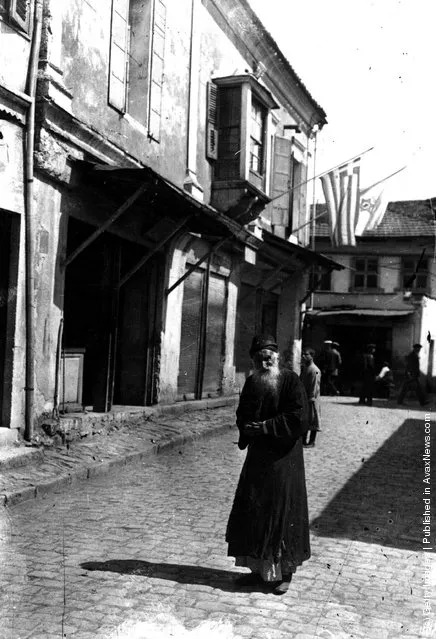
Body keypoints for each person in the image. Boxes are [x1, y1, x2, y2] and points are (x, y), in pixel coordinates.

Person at [226, 334, 310, 596]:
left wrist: (265, 427)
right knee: (254, 510)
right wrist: (246, 427)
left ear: (277, 357)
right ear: (253, 360)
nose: (265, 362)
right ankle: (257, 572)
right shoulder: (252, 382)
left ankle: (286, 574)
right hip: (259, 457)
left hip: (284, 459)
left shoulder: (290, 381)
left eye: (269, 357)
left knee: (282, 512)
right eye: (259, 358)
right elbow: (242, 412)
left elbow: (297, 418)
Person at [300, 347, 321, 448]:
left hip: (311, 399)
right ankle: (303, 441)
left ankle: (312, 441)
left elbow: (315, 385)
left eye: (306, 354)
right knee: (305, 419)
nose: (303, 356)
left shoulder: (314, 370)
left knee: (313, 420)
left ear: (312, 356)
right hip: (305, 398)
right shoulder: (305, 368)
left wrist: (311, 398)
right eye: (302, 354)